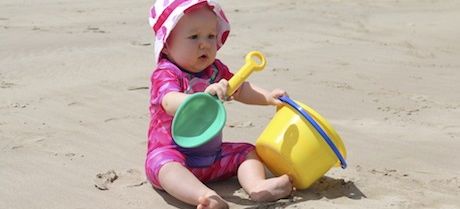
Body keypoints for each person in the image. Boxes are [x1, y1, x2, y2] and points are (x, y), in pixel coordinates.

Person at [146, 1, 293, 208]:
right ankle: (204, 196)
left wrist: (267, 97)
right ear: (167, 45)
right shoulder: (167, 72)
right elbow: (169, 101)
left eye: (211, 36)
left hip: (212, 157)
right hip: (173, 153)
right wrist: (201, 99)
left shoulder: (215, 71)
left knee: (247, 152)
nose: (204, 44)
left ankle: (257, 186)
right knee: (164, 167)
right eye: (194, 37)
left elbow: (240, 88)